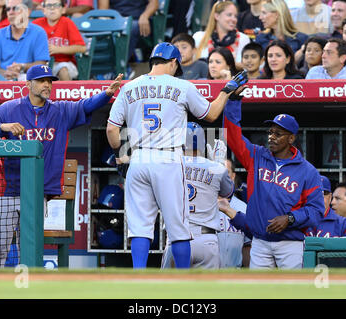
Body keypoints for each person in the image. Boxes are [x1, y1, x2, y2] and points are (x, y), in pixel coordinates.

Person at [106, 42, 248, 269]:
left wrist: (121, 157)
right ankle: (183, 279)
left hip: (139, 158)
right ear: (173, 62)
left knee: (140, 227)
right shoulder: (182, 86)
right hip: (168, 158)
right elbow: (211, 115)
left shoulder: (129, 86)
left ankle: (138, 276)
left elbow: (112, 130)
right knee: (178, 227)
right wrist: (226, 91)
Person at [0, 64, 123, 267]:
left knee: (30, 251)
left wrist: (106, 94)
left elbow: (85, 105)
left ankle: (26, 293)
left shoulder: (60, 110)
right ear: (28, 84)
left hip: (36, 193)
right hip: (6, 192)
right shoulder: (9, 109)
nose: (47, 85)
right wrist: (2, 126)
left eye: (49, 81)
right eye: (41, 81)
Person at [222, 107, 326, 269]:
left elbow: (316, 211)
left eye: (278, 134)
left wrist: (291, 218)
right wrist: (234, 103)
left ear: (291, 138)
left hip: (290, 244)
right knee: (259, 292)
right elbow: (232, 135)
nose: (271, 137)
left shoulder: (308, 171)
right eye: (270, 132)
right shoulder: (257, 156)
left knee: (292, 292)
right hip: (260, 242)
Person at [161, 123, 234, 269]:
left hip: (177, 237)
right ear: (203, 144)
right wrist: (218, 163)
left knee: (170, 290)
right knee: (207, 291)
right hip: (206, 240)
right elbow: (228, 193)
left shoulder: (166, 166)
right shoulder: (216, 168)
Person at [0, 0, 50, 80]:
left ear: (27, 12)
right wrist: (5, 74)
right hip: (3, 80)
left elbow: (41, 64)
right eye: (8, 9)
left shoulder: (39, 33)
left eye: (16, 9)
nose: (11, 12)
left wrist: (22, 66)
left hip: (30, 79)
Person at [32, 0, 86, 81]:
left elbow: (81, 48)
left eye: (56, 5)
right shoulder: (36, 24)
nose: (52, 9)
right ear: (43, 10)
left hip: (65, 63)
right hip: (42, 63)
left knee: (62, 69)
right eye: (49, 5)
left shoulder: (67, 22)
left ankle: (67, 92)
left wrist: (58, 49)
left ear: (63, 9)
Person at [193, 1, 251, 69]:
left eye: (235, 16)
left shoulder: (243, 39)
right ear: (217, 16)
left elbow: (247, 68)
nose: (234, 19)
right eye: (229, 15)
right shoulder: (199, 37)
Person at [218, 158, 251, 268]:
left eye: (226, 173)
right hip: (206, 275)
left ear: (233, 176)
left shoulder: (243, 207)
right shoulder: (202, 206)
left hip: (234, 274)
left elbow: (247, 246)